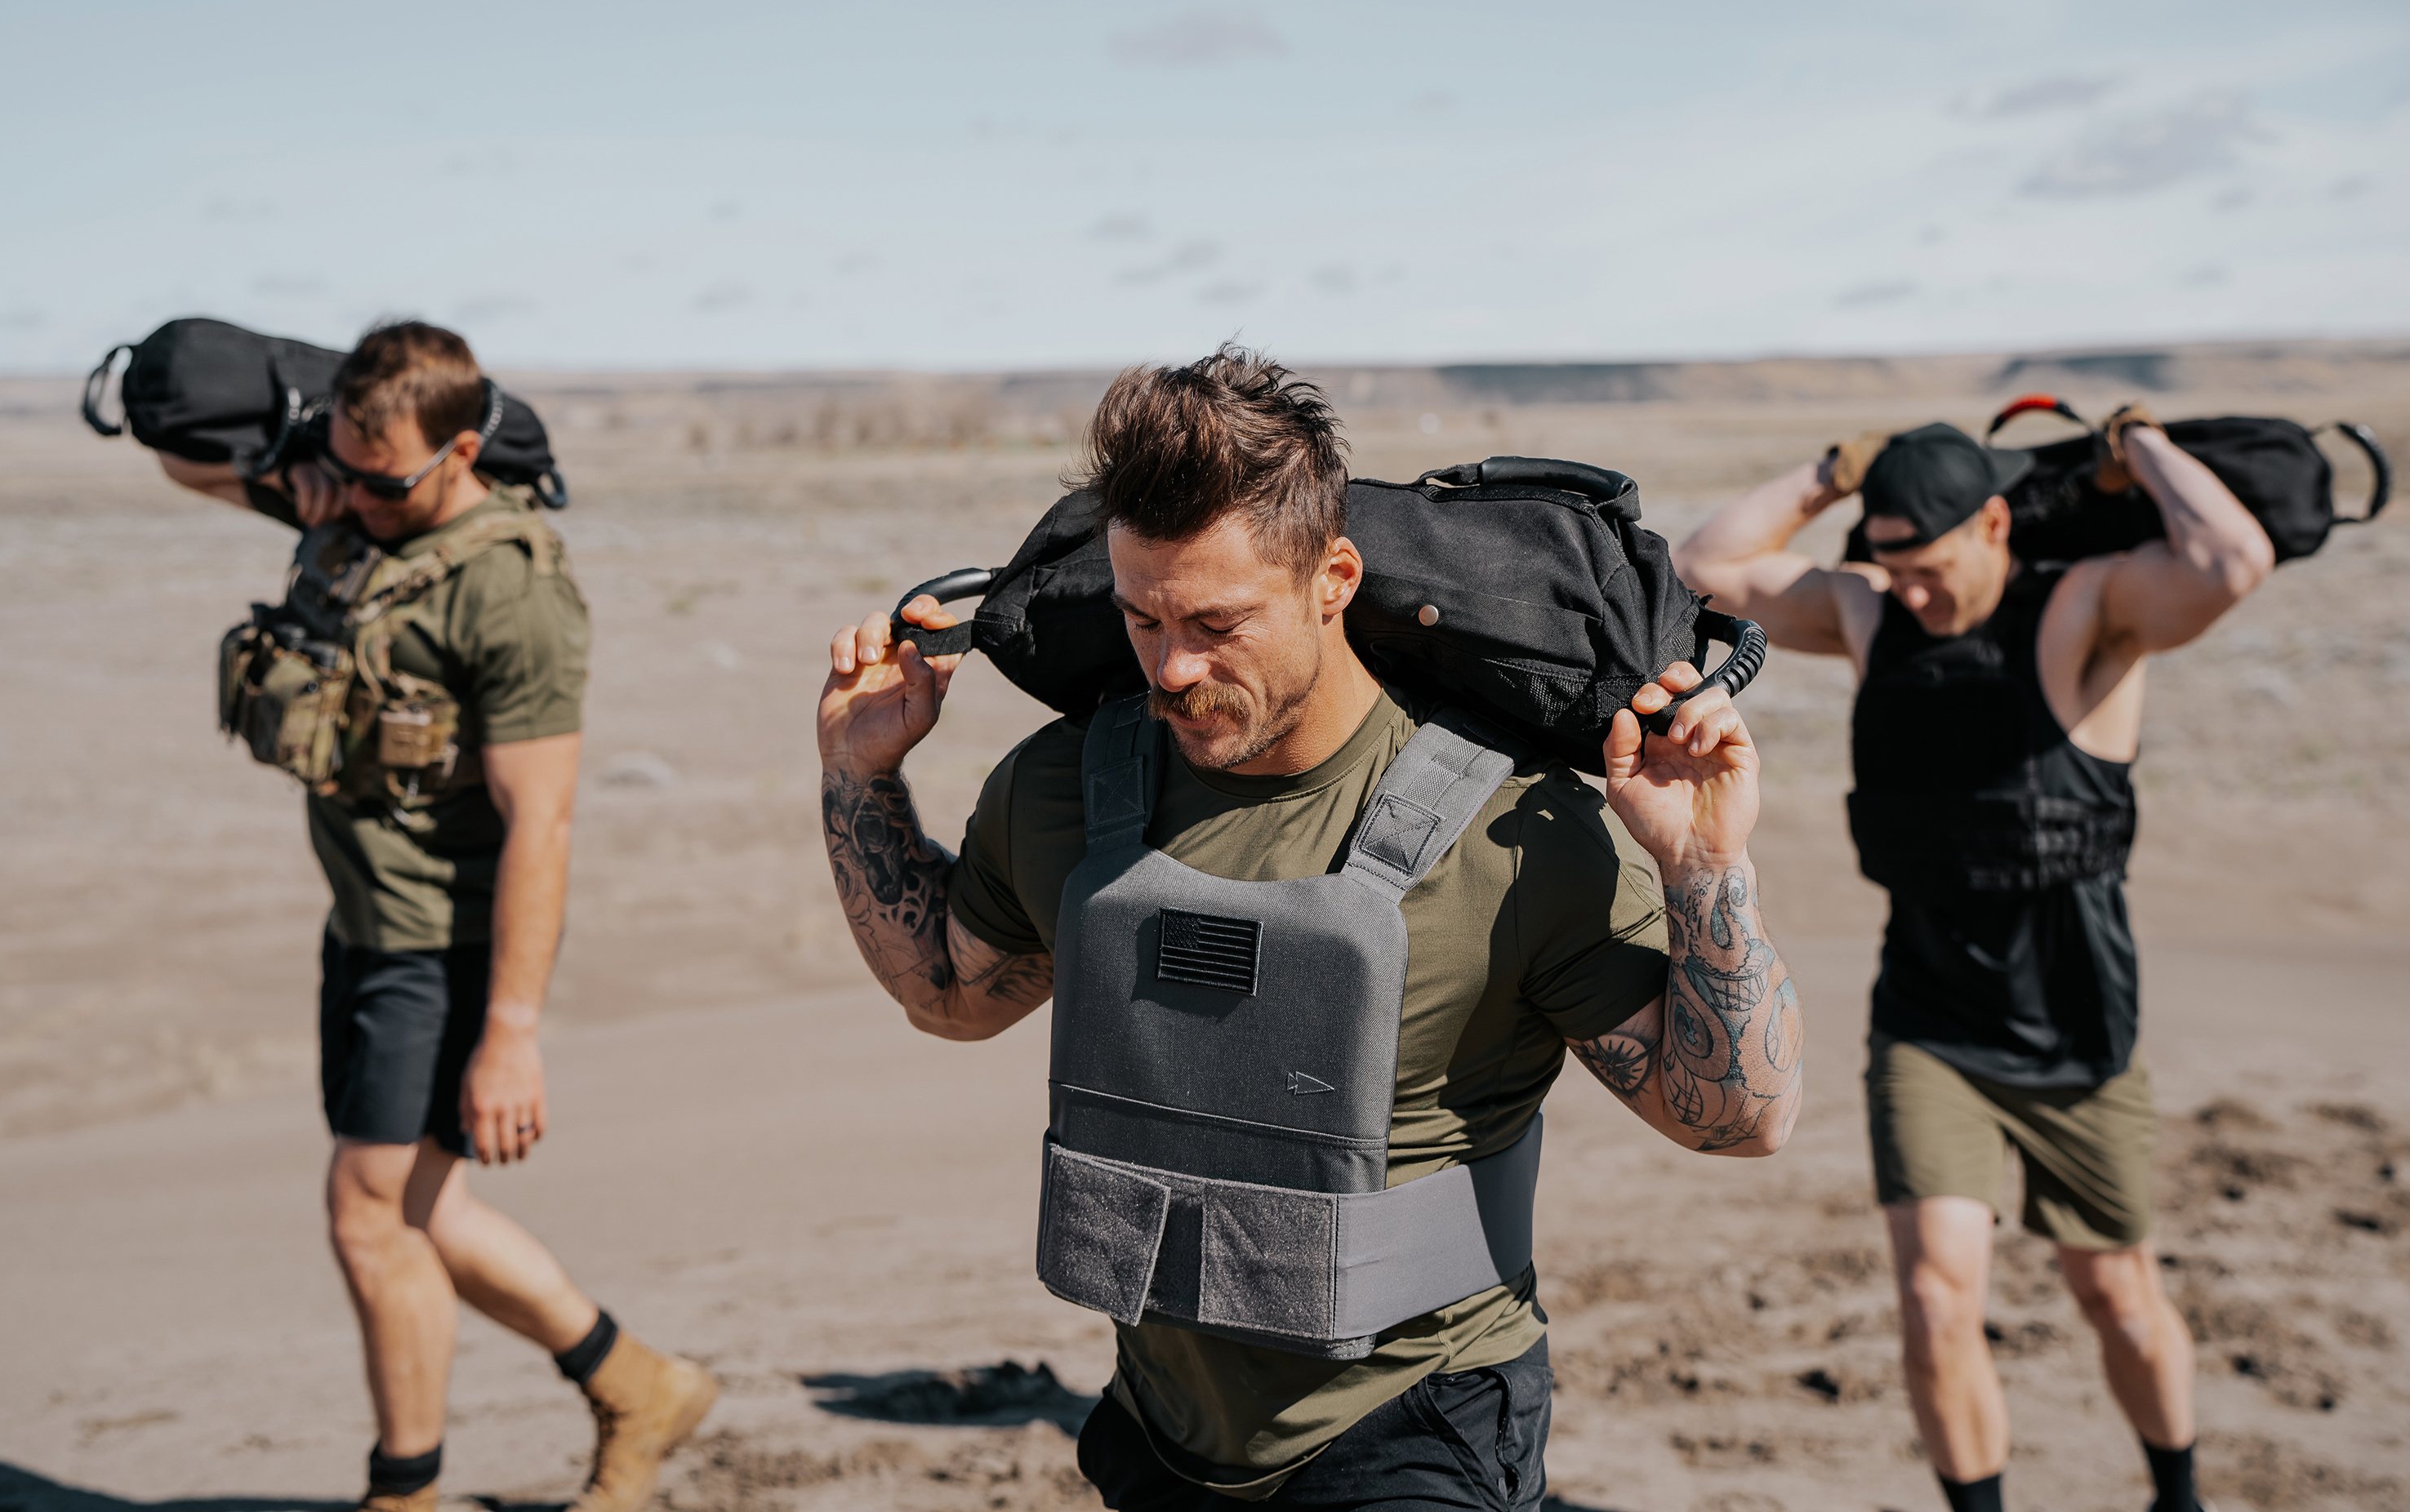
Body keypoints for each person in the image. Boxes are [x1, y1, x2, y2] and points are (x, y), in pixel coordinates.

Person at [817, 346, 1804, 1508]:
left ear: (1334, 578)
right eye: (1142, 619)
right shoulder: (1071, 788)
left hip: (1418, 1418)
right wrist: (856, 773)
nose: (1174, 669)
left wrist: (1703, 867)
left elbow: (1741, 1120)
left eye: (1218, 623)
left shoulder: (1511, 835)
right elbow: (947, 991)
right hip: (1163, 1422)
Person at [157, 322, 716, 1512]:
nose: (360, 494)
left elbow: (543, 824)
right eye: (347, 467)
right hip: (362, 926)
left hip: (442, 945)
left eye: (385, 476)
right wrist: (304, 463)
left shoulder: (508, 589)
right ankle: (637, 1383)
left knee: (369, 1213)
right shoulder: (359, 505)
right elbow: (182, 464)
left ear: (461, 450)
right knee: (419, 1207)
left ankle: (407, 1490)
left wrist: (511, 1030)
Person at [1674, 411, 2274, 1512]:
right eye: (1888, 567)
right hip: (1930, 1021)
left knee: (2116, 1294)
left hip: (2080, 1029)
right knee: (1937, 1303)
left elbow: (2233, 561)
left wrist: (2137, 448)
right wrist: (1830, 473)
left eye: (1930, 567)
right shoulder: (1869, 612)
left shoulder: (2089, 607)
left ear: (1995, 522)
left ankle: (2178, 1497)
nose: (1907, 593)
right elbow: (1706, 564)